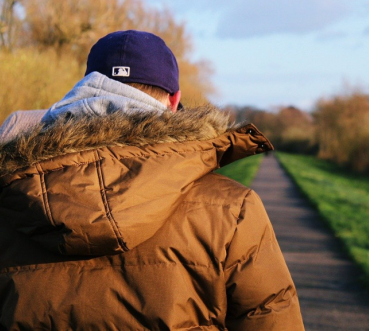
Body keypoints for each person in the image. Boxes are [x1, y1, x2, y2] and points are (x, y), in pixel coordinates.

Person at [0, 30, 305, 330]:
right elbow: (270, 318)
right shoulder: (231, 210)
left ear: (84, 91)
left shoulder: (10, 195)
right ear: (174, 101)